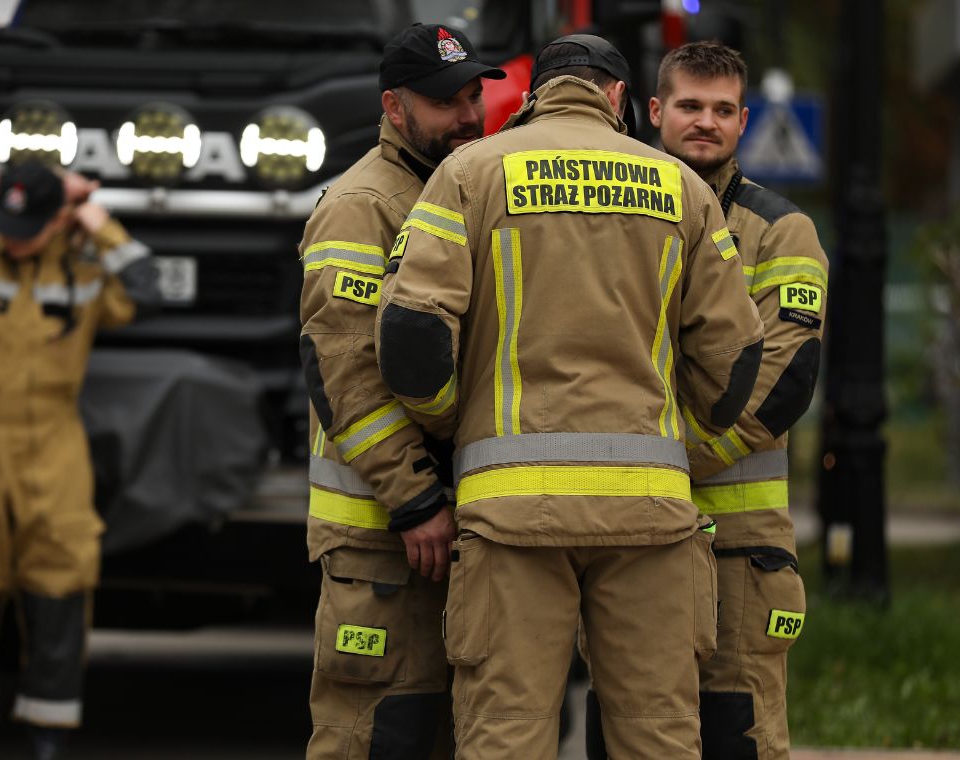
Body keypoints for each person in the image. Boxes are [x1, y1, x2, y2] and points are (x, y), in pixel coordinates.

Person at [376, 34, 766, 758]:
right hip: (651, 518)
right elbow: (735, 356)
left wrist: (455, 421)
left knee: (505, 733)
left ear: (533, 96)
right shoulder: (680, 187)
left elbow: (411, 338)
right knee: (658, 736)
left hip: (510, 514)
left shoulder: (470, 173)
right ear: (619, 98)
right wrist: (676, 437)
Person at [297, 23, 504, 760]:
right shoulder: (362, 204)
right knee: (378, 735)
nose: (469, 115)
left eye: (474, 95)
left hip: (454, 530)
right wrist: (415, 500)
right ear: (394, 106)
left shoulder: (465, 187)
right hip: (382, 538)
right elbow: (342, 369)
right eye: (446, 101)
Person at [644, 41, 825, 760]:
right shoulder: (620, 218)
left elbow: (783, 381)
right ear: (655, 111)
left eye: (723, 110)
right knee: (631, 729)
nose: (705, 122)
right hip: (634, 537)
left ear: (745, 122)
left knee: (735, 733)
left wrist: (670, 465)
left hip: (738, 551)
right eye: (689, 105)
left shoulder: (780, 230)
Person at [0, 161, 160, 760]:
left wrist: (98, 222)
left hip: (53, 448)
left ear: (58, 218)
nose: (14, 238)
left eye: (29, 227)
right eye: (6, 222)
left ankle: (47, 735)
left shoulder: (85, 268)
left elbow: (149, 290)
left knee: (61, 583)